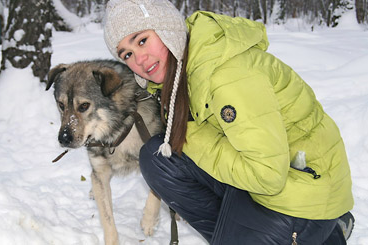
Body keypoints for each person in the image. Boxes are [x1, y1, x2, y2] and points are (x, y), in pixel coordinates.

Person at [103, 0, 355, 244]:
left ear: (165, 28)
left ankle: (325, 231)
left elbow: (267, 176)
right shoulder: (176, 75)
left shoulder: (227, 75)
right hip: (257, 178)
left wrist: (191, 135)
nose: (140, 60)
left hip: (302, 189)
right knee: (158, 159)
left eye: (143, 40)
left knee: (180, 144)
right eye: (127, 54)